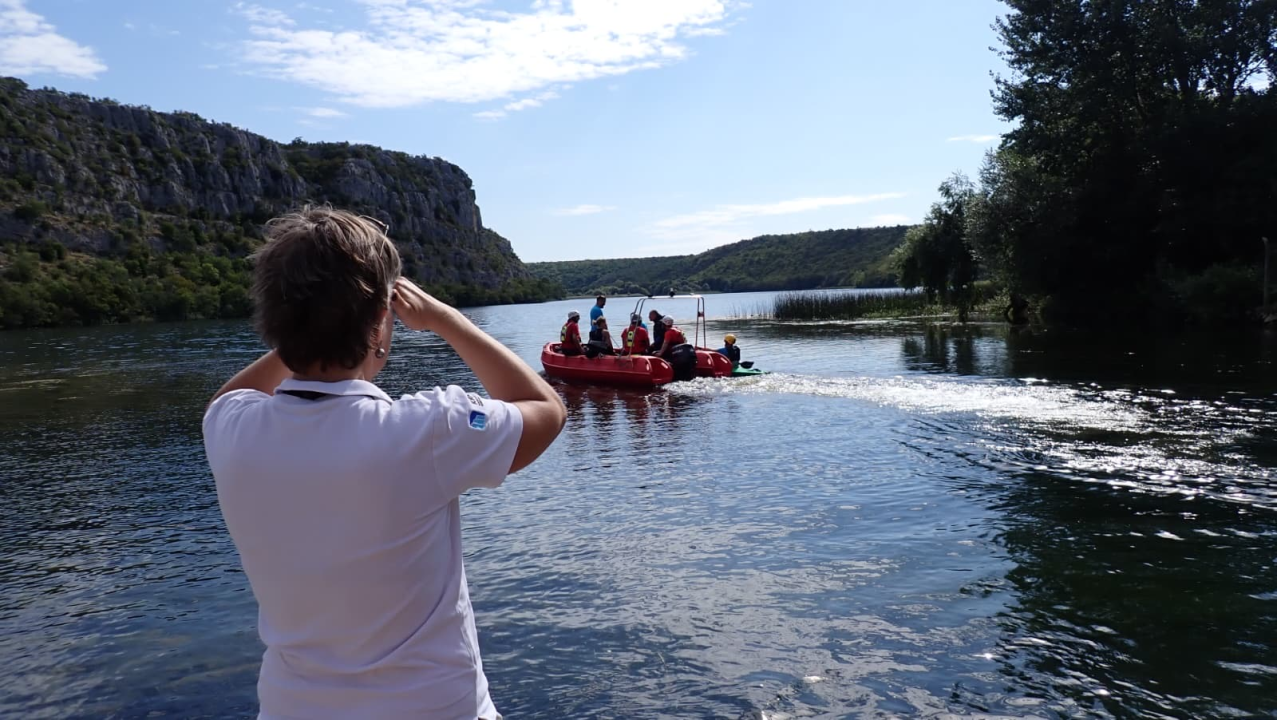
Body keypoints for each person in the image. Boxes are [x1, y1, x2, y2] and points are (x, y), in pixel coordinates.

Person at [201, 207, 567, 720]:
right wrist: (447, 320)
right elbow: (548, 412)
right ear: (380, 320)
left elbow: (230, 396)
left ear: (273, 322)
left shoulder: (232, 431)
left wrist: (304, 333)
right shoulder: (430, 431)